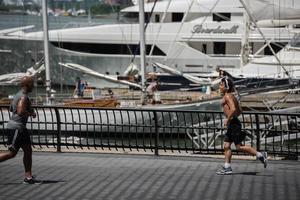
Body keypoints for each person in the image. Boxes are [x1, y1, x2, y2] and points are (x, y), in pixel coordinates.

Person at [217, 76, 267, 175]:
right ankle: (227, 167)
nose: (220, 86)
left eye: (221, 84)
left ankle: (260, 155)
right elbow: (240, 111)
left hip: (233, 124)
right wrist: (232, 118)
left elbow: (234, 109)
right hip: (233, 123)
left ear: (226, 87)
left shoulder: (228, 96)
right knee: (226, 146)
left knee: (239, 147)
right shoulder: (231, 96)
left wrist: (228, 118)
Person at [0, 76, 41, 184]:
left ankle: (28, 177)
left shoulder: (17, 95)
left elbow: (11, 109)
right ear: (27, 85)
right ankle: (28, 177)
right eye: (32, 83)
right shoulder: (23, 97)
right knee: (11, 153)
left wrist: (28, 109)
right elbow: (20, 111)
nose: (34, 85)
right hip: (17, 128)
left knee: (28, 151)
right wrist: (31, 113)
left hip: (20, 128)